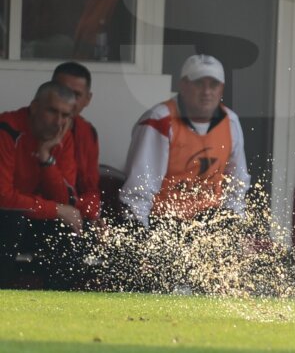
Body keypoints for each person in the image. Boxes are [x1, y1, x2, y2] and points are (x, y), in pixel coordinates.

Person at [118, 54, 250, 229]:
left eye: (213, 84)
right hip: (165, 221)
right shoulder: (160, 120)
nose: (206, 92)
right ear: (183, 86)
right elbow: (139, 191)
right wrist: (141, 236)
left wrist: (236, 228)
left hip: (210, 222)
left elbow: (237, 185)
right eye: (199, 83)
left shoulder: (230, 121)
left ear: (222, 89)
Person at [0, 81, 95, 289]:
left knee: (76, 228)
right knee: (11, 221)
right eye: (52, 112)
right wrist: (55, 209)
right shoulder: (7, 129)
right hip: (8, 219)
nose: (58, 122)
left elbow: (66, 200)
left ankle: (60, 304)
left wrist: (46, 158)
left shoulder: (62, 137)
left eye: (66, 115)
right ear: (35, 107)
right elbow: (4, 198)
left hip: (31, 219)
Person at [52, 62, 102, 223]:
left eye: (76, 95)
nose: (69, 100)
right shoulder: (28, 127)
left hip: (74, 213)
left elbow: (90, 187)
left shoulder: (87, 132)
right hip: (38, 213)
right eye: (62, 91)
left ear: (88, 99)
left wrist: (92, 216)